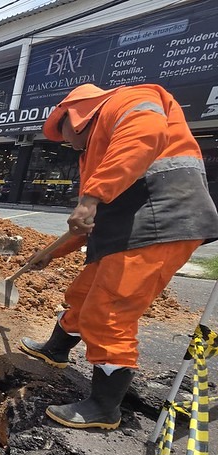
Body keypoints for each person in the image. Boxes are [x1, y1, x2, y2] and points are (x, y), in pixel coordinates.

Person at [19, 83, 218, 430]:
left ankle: (104, 407)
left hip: (159, 220)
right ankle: (54, 350)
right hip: (126, 229)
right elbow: (85, 225)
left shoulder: (128, 102)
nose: (64, 141)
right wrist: (51, 254)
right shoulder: (98, 147)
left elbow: (146, 134)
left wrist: (92, 196)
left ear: (75, 115)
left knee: (108, 311)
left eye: (62, 132)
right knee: (82, 295)